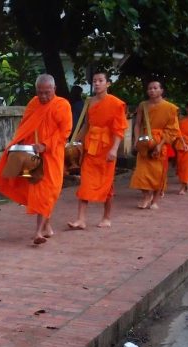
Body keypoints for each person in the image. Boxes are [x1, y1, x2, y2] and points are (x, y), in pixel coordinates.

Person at [0, 74, 72, 244]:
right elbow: (24, 127)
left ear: (54, 90)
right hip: (32, 156)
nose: (43, 96)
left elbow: (65, 131)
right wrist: (17, 146)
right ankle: (44, 229)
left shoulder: (62, 105)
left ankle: (38, 232)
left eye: (47, 93)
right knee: (39, 192)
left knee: (47, 192)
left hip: (51, 156)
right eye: (40, 92)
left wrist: (45, 145)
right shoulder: (33, 103)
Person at [67, 71, 127, 229]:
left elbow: (119, 129)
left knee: (106, 185)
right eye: (95, 81)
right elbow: (86, 125)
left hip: (107, 149)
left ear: (108, 83)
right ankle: (81, 219)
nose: (97, 83)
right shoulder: (89, 102)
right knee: (85, 183)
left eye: (101, 80)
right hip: (91, 148)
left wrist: (114, 149)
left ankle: (106, 217)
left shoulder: (116, 103)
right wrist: (73, 142)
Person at [129, 79, 180, 209]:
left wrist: (160, 144)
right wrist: (136, 140)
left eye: (155, 88)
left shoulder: (170, 108)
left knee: (158, 173)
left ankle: (155, 200)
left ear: (161, 90)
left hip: (160, 140)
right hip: (145, 141)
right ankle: (146, 196)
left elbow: (172, 129)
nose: (152, 90)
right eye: (150, 88)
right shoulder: (143, 105)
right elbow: (138, 124)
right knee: (141, 172)